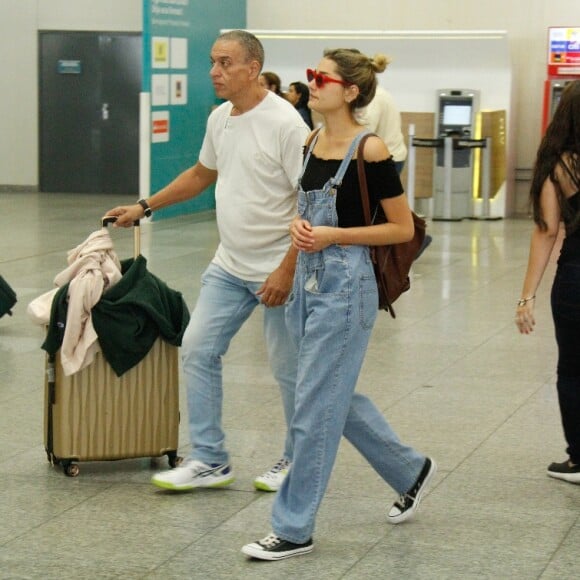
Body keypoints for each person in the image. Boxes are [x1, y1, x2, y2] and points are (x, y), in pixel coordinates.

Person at [242, 48, 437, 561]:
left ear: (350, 91)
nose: (312, 84)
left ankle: (293, 526)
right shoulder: (311, 140)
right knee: (328, 394)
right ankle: (408, 468)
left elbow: (400, 227)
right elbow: (305, 211)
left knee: (311, 407)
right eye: (310, 75)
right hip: (307, 281)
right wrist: (296, 242)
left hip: (346, 288)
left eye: (321, 78)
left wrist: (334, 234)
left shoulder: (369, 150)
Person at [106, 30, 310, 493]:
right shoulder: (221, 118)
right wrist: (145, 205)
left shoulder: (287, 124)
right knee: (198, 349)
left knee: (288, 369)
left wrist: (287, 269)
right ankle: (211, 459)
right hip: (230, 265)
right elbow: (202, 174)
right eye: (213, 62)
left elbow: (311, 203)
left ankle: (298, 461)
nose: (214, 72)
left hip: (279, 268)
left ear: (253, 67)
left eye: (225, 63)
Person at [515, 80, 580, 485]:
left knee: (573, 370)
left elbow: (546, 231)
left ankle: (579, 459)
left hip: (576, 279)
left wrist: (527, 296)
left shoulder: (558, 166)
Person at [356, 59, 432, 259]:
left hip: (385, 158)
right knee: (388, 207)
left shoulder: (374, 99)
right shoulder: (381, 94)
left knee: (387, 210)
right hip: (391, 154)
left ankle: (415, 241)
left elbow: (364, 130)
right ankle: (414, 239)